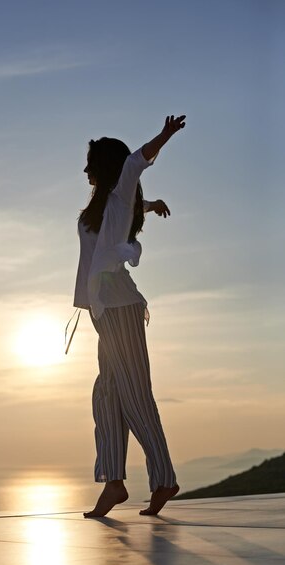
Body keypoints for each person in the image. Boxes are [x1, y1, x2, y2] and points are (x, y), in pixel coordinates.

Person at [69, 114, 186, 518]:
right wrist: (150, 206)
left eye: (91, 162)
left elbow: (135, 163)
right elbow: (129, 209)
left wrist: (164, 136)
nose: (85, 169)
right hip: (104, 314)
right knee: (107, 395)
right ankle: (114, 482)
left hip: (121, 309)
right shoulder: (110, 205)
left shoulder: (119, 194)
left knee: (135, 394)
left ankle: (164, 478)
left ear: (104, 166)